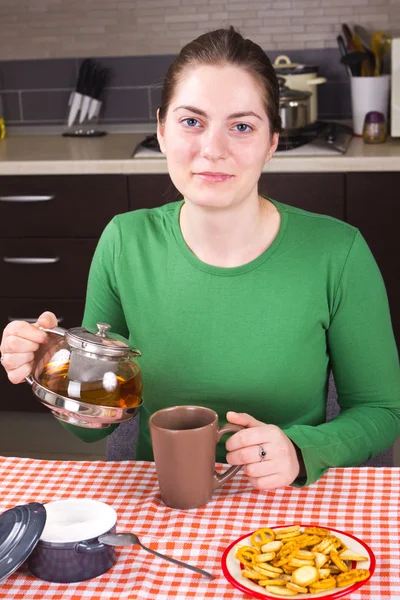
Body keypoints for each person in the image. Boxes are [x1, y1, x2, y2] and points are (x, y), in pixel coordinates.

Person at [1, 27, 400, 491]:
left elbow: (381, 411)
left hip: (288, 505)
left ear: (272, 142)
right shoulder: (123, 241)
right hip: (164, 504)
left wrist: (301, 449)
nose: (213, 149)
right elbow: (96, 421)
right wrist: (47, 366)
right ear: (161, 130)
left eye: (242, 126)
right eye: (192, 121)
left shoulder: (338, 252)